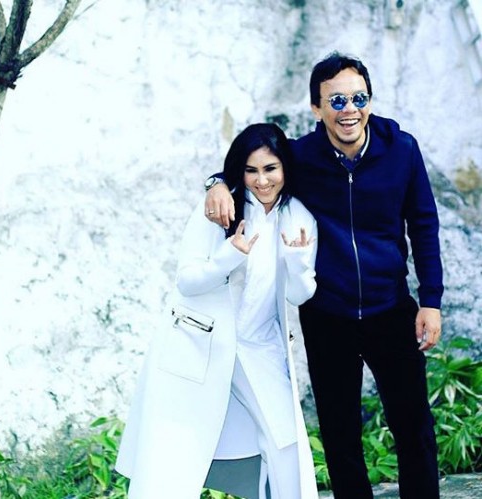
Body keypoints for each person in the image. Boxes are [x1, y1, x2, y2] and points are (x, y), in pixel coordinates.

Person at [204, 51, 443, 499]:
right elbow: (254, 165)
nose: (349, 110)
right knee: (339, 432)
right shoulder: (300, 158)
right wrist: (216, 182)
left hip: (391, 307)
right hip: (327, 315)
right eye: (336, 101)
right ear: (316, 108)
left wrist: (431, 300)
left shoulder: (402, 150)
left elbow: (424, 224)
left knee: (413, 426)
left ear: (369, 100)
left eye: (359, 98)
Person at [116, 123, 320, 499]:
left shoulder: (299, 217)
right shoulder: (220, 207)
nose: (262, 180)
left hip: (261, 346)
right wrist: (229, 256)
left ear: (285, 168)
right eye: (251, 170)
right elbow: (188, 281)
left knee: (286, 442)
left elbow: (300, 295)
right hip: (202, 344)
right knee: (173, 454)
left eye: (271, 169)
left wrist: (297, 262)